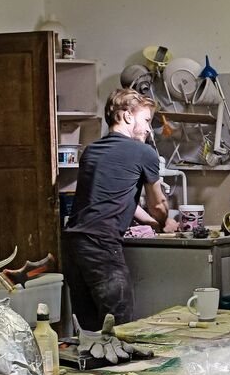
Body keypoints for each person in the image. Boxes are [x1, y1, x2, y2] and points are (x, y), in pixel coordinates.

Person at [62, 87, 171, 331]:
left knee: (88, 330)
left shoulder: (91, 151)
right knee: (119, 325)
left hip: (73, 246)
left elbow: (113, 199)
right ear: (127, 116)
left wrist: (151, 223)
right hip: (101, 245)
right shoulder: (144, 152)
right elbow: (158, 205)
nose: (148, 129)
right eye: (146, 120)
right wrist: (165, 221)